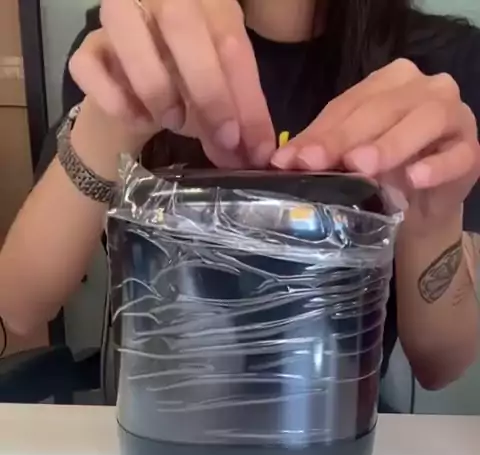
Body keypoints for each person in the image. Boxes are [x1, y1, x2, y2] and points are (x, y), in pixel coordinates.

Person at [0, 0, 479, 395]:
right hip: (160, 426)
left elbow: (441, 364)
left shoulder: (438, 67)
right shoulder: (135, 37)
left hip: (332, 430)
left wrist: (432, 217)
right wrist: (111, 124)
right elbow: (19, 305)